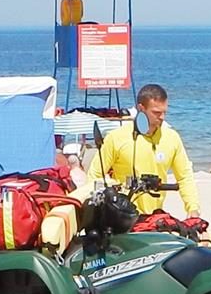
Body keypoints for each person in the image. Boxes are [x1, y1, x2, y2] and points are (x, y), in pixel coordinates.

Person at [80, 84, 201, 218]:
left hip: (154, 216)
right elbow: (95, 174)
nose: (162, 117)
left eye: (164, 112)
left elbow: (184, 176)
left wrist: (193, 208)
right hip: (122, 216)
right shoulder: (117, 137)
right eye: (156, 113)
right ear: (141, 108)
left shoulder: (172, 138)